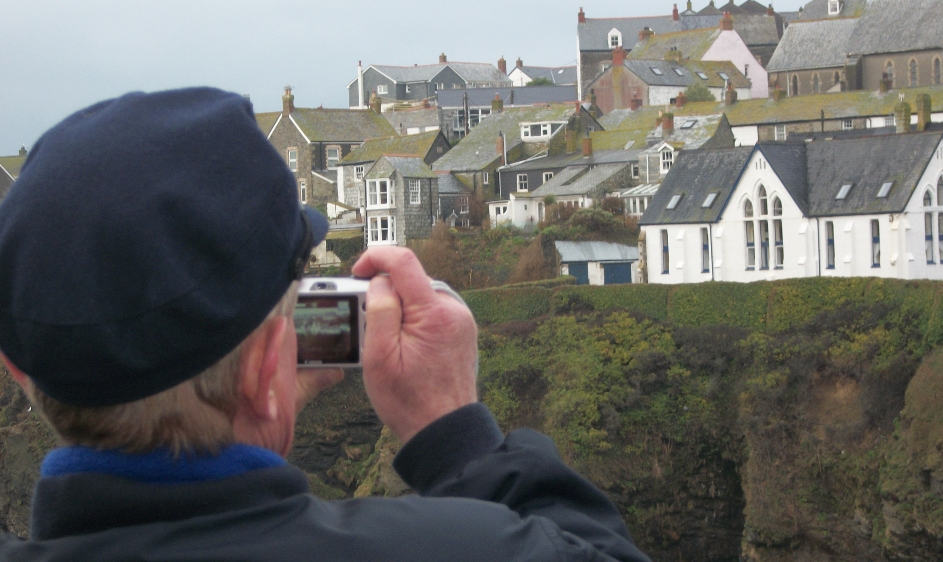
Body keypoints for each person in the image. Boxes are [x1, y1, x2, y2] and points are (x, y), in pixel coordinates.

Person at [0, 87, 650, 562]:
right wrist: (451, 431)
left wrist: (264, 387)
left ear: (18, 369)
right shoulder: (469, 549)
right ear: (264, 366)